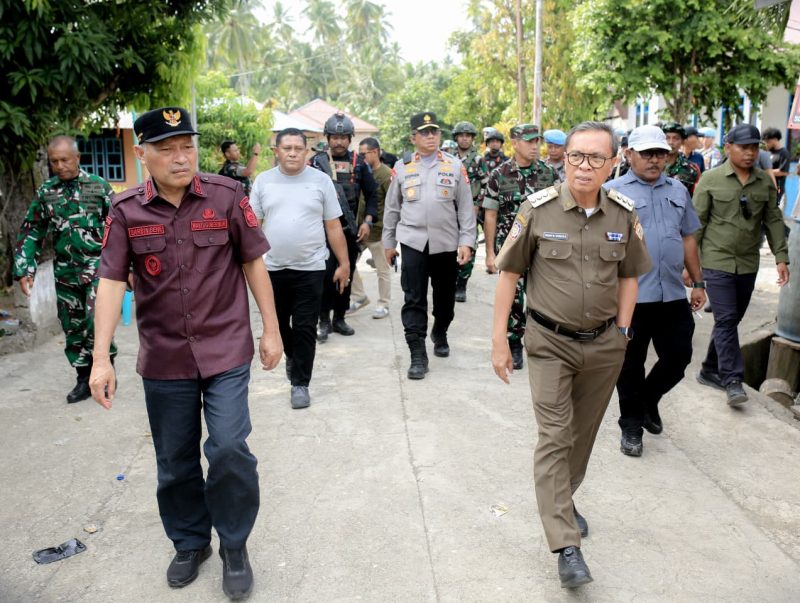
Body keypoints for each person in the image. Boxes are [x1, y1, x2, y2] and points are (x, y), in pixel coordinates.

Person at [89, 107, 283, 600]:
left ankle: (234, 546)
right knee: (174, 460)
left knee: (228, 447)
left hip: (225, 349)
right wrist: (100, 357)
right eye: (167, 149)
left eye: (187, 147)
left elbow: (253, 264)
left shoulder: (226, 195)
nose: (181, 158)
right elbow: (111, 283)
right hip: (164, 357)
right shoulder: (126, 210)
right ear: (143, 154)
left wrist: (271, 330)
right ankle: (191, 542)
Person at [490, 121, 651, 589]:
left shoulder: (623, 213)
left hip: (604, 345)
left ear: (612, 163)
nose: (584, 166)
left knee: (581, 437)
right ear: (564, 158)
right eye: (577, 156)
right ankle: (565, 546)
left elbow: (629, 276)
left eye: (595, 158)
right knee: (555, 437)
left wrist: (622, 332)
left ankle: (563, 496)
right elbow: (508, 276)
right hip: (548, 343)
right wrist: (500, 340)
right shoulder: (537, 210)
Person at [604, 125, 705, 457]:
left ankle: (649, 399)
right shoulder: (612, 192)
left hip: (673, 293)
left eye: (660, 153)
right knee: (629, 364)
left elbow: (688, 236)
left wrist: (698, 281)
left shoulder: (678, 190)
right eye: (646, 153)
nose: (654, 160)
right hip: (631, 296)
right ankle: (631, 425)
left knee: (679, 357)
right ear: (629, 154)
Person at [250, 128, 350, 408]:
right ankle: (292, 356)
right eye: (287, 148)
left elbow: (333, 225)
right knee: (279, 325)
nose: (293, 153)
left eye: (298, 148)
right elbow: (253, 225)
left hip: (311, 268)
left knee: (305, 326)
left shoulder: (321, 182)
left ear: (306, 151)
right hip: (271, 270)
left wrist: (344, 263)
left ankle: (300, 384)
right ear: (276, 151)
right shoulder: (263, 182)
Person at [14, 135, 116, 404]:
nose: (59, 166)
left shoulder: (99, 187)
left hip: (98, 268)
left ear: (77, 158)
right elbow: (32, 230)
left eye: (64, 160)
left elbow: (119, 227)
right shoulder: (47, 192)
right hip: (65, 272)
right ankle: (83, 378)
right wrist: (25, 268)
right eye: (54, 161)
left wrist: (127, 267)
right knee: (73, 326)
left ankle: (105, 368)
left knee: (96, 321)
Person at [694, 124, 790, 406]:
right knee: (725, 319)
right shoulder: (711, 180)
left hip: (748, 261)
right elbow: (695, 224)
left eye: (754, 147)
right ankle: (733, 379)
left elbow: (772, 220)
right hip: (716, 259)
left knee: (731, 320)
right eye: (743, 147)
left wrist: (781, 257)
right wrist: (688, 265)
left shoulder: (763, 182)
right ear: (728, 147)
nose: (750, 153)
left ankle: (708, 369)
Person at [383, 111, 476, 379]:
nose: (431, 136)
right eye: (424, 132)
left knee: (445, 300)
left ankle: (441, 331)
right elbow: (392, 208)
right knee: (413, 299)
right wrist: (389, 242)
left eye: (434, 131)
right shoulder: (402, 167)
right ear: (414, 137)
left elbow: (466, 209)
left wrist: (466, 241)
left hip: (446, 243)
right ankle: (417, 354)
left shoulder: (454, 165)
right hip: (413, 243)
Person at [483, 124, 560, 370]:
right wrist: (490, 253)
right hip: (511, 248)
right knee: (514, 298)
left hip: (543, 247)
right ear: (515, 143)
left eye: (537, 141)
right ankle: (514, 343)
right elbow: (491, 216)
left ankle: (543, 344)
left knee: (543, 296)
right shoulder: (499, 174)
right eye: (529, 141)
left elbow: (561, 210)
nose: (535, 145)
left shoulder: (549, 174)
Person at [311, 112, 378, 341]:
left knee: (345, 274)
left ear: (350, 139)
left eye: (343, 137)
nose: (338, 141)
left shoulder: (359, 163)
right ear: (327, 137)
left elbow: (372, 195)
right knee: (323, 275)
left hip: (349, 230)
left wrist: (368, 222)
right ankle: (323, 321)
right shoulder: (316, 162)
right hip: (320, 231)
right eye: (334, 137)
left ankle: (340, 319)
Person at [349, 137, 392, 319]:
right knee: (348, 263)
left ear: (375, 152)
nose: (360, 157)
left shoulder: (386, 174)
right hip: (360, 230)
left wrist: (391, 234)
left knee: (382, 271)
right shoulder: (360, 172)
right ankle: (359, 297)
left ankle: (384, 304)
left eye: (363, 154)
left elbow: (393, 204)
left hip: (379, 232)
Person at [452, 121, 489, 303]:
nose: (465, 139)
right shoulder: (448, 157)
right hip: (449, 210)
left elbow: (485, 184)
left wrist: (477, 205)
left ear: (472, 139)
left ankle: (462, 283)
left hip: (470, 210)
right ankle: (450, 280)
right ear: (456, 138)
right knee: (449, 245)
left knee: (469, 246)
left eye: (468, 136)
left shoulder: (478, 159)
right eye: (461, 135)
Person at [661, 122, 701, 196]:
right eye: (667, 138)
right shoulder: (653, 165)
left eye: (676, 138)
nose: (671, 142)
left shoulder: (691, 169)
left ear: (682, 141)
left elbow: (696, 198)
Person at [762, 127, 791, 203]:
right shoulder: (769, 153)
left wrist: (764, 171)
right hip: (766, 189)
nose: (766, 144)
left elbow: (784, 172)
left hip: (777, 190)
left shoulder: (784, 153)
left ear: (775, 139)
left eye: (768, 141)